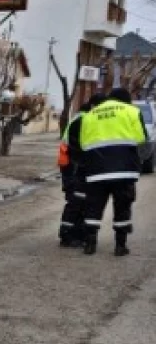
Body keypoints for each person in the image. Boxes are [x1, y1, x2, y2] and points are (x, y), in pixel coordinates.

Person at [69, 88, 149, 256]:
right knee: (122, 207)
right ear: (126, 100)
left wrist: (87, 165)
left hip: (96, 172)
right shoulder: (131, 112)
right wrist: (138, 164)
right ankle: (120, 246)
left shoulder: (90, 115)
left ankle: (90, 243)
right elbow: (142, 141)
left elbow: (82, 144)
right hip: (124, 172)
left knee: (93, 207)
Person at [58, 93, 107, 247]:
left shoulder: (82, 117)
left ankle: (76, 234)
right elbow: (77, 146)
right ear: (94, 106)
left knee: (80, 201)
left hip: (72, 164)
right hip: (72, 166)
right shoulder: (83, 120)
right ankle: (67, 235)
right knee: (75, 201)